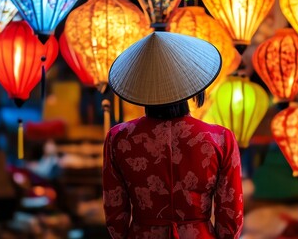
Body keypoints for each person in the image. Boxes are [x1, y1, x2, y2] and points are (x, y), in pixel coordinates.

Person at [102, 32, 244, 239]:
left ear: (141, 85)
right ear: (191, 82)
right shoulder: (220, 138)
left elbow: (115, 215)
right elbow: (230, 216)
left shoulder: (119, 138)